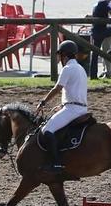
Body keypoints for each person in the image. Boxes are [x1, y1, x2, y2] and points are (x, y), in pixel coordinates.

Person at [35, 40, 88, 172]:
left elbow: (57, 88)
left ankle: (56, 163)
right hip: (80, 108)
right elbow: (75, 91)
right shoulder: (80, 68)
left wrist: (43, 102)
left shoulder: (68, 68)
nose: (59, 59)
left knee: (47, 130)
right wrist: (62, 105)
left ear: (64, 55)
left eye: (59, 56)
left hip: (73, 110)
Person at [95, 0, 111, 78]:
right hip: (102, 29)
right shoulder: (102, 3)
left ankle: (107, 72)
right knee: (100, 51)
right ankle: (104, 70)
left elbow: (110, 16)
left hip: (108, 29)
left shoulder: (108, 3)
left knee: (106, 51)